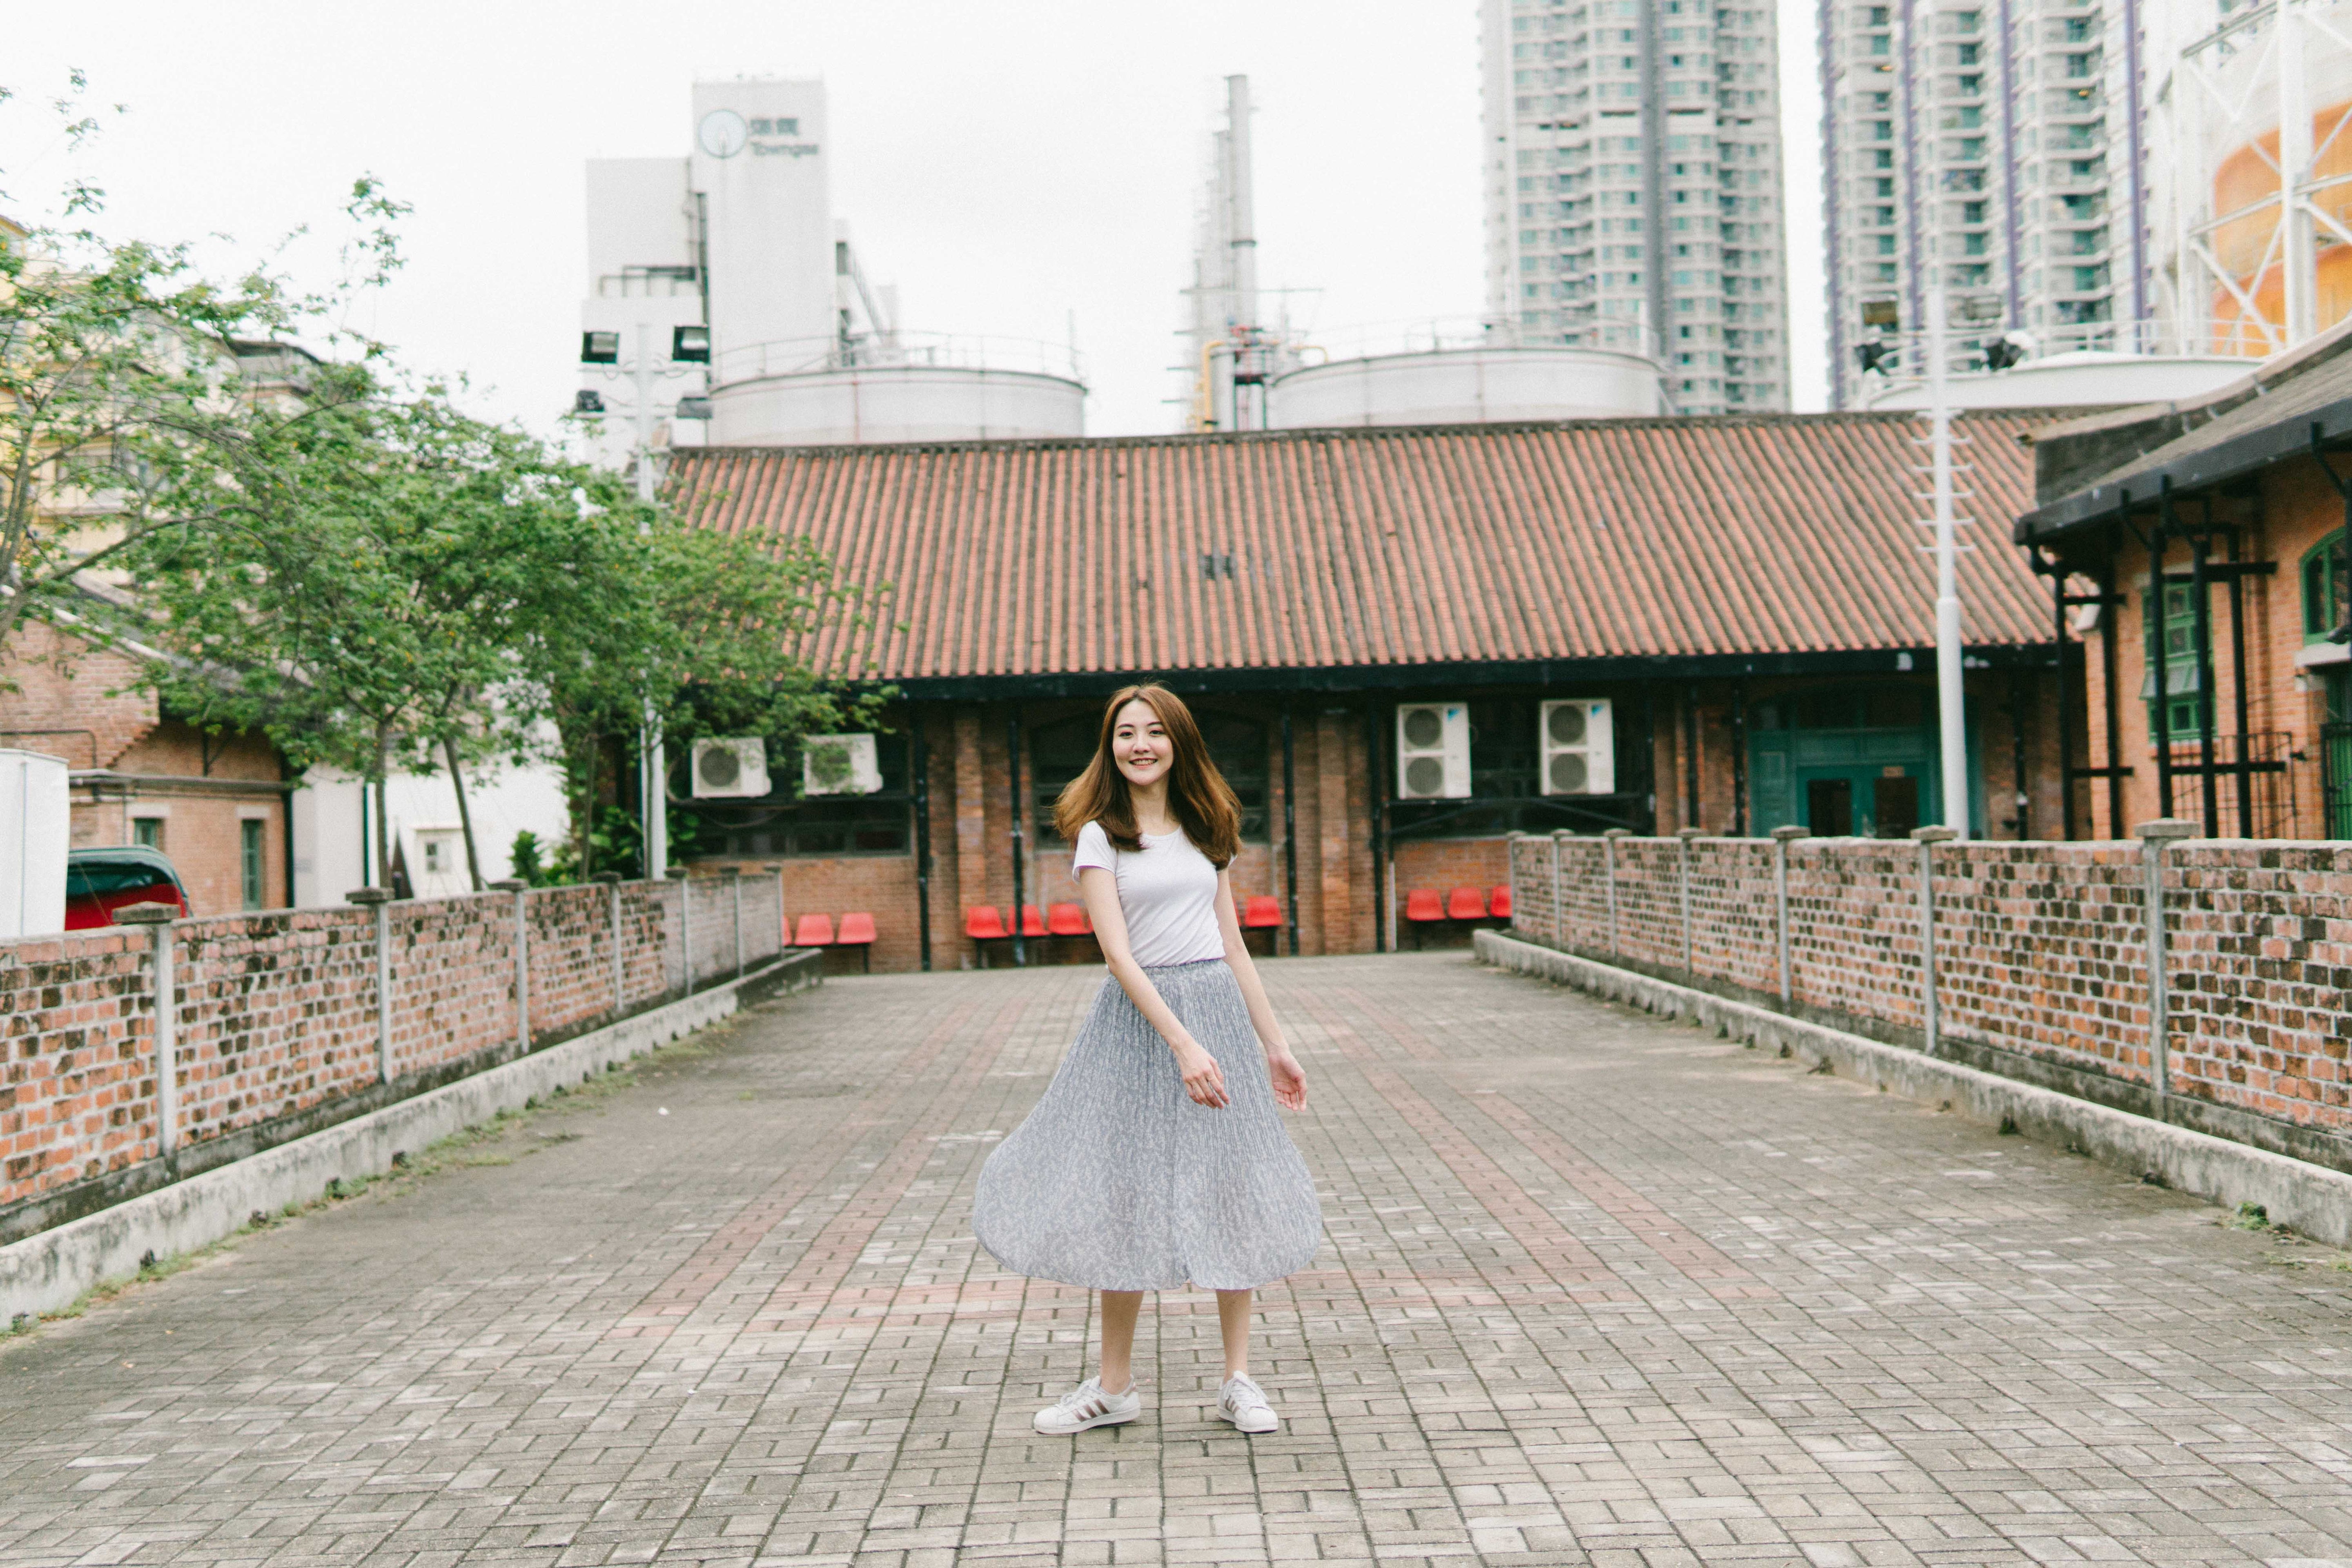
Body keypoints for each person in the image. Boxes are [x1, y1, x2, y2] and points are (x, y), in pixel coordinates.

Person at [972, 683, 1321, 1437]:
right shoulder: (1101, 835)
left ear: (1178, 742)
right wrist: (1183, 1042)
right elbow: (1119, 958)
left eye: (1154, 732)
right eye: (1125, 733)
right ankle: (1115, 1387)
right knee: (1122, 1191)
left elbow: (1233, 947)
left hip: (1217, 1010)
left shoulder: (1207, 825)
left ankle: (1238, 1380)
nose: (1139, 745)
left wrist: (1275, 1046)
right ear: (1110, 747)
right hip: (1139, 1027)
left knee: (1233, 1186)